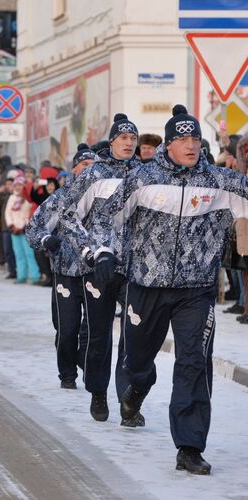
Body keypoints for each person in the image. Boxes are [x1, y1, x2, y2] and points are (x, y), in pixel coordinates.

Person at [92, 105, 248, 475]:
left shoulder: (218, 181)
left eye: (196, 138)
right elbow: (104, 217)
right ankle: (135, 391)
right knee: (138, 360)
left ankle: (190, 446)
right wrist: (101, 252)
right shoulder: (142, 179)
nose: (191, 145)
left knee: (194, 361)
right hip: (147, 285)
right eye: (183, 139)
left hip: (197, 288)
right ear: (169, 144)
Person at [61, 113, 140, 424]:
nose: (130, 143)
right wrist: (89, 253)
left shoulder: (145, 173)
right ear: (112, 142)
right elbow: (69, 217)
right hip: (99, 268)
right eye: (124, 138)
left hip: (135, 268)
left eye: (133, 139)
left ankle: (129, 399)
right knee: (99, 335)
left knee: (135, 335)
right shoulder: (94, 175)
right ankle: (98, 392)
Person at [26, 144, 96, 389]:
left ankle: (89, 367)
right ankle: (67, 374)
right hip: (65, 272)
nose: (90, 170)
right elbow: (34, 228)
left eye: (94, 166)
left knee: (93, 330)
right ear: (74, 168)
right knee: (67, 329)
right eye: (85, 165)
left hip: (95, 273)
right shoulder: (60, 199)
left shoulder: (106, 199)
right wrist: (46, 240)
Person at [5, 175, 40, 284]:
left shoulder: (28, 198)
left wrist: (25, 225)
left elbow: (31, 213)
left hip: (26, 229)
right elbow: (7, 213)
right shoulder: (12, 198)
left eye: (20, 185)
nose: (18, 187)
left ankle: (35, 275)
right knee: (19, 254)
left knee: (29, 253)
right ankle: (21, 275)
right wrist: (11, 225)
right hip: (14, 230)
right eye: (16, 185)